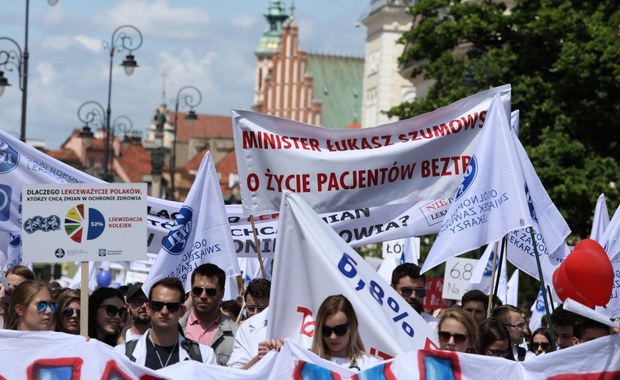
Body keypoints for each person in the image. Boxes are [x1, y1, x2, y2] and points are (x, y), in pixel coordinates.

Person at [116, 277, 216, 369]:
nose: (164, 311)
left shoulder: (204, 356)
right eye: (157, 305)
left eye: (172, 306)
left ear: (182, 310)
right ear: (149, 309)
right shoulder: (122, 354)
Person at [179, 264, 238, 365]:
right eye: (197, 290)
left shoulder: (237, 334)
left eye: (210, 291)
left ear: (222, 293)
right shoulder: (173, 328)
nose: (203, 296)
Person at [311, 294, 381, 371]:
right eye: (326, 330)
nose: (333, 337)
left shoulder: (370, 366)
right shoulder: (307, 363)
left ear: (352, 326)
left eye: (340, 330)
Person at [228, 279, 279, 369]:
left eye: (261, 309)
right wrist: (258, 359)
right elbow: (236, 373)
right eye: (251, 308)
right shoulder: (245, 330)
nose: (255, 314)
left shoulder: (284, 325)